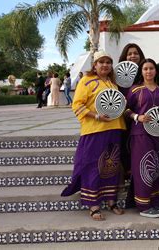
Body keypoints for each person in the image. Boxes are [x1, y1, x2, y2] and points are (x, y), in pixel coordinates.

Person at [61, 51, 126, 221]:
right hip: (94, 130)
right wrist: (96, 116)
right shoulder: (86, 81)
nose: (105, 65)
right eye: (101, 62)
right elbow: (77, 105)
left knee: (111, 166)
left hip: (115, 129)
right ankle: (93, 205)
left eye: (108, 62)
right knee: (92, 166)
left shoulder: (112, 83)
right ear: (95, 65)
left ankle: (111, 201)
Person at [125, 59, 159, 218]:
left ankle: (156, 200)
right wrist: (137, 116)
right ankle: (144, 205)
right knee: (143, 168)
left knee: (158, 167)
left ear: (155, 71)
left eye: (151, 68)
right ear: (141, 71)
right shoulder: (134, 90)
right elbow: (125, 110)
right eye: (145, 68)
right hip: (140, 134)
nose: (148, 71)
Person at [118, 43, 146, 209]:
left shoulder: (145, 73)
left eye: (136, 53)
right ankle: (125, 177)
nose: (133, 56)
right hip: (123, 118)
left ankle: (137, 179)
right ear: (124, 57)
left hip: (142, 120)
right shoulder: (118, 76)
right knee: (123, 147)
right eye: (129, 54)